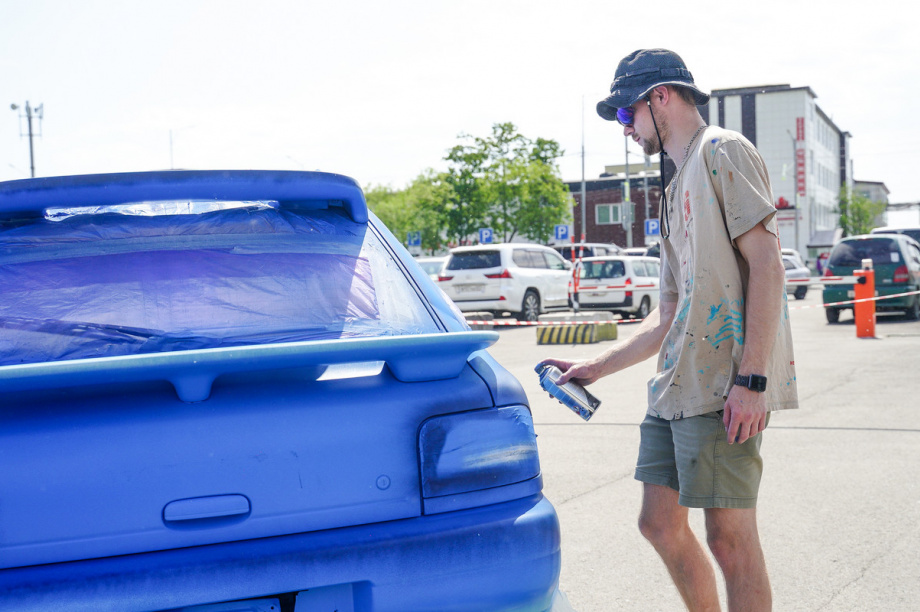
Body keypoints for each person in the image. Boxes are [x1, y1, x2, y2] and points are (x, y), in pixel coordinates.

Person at [539, 49, 798, 612]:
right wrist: (596, 366)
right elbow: (670, 315)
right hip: (676, 384)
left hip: (725, 384)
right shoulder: (674, 187)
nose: (625, 127)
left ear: (660, 96)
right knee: (658, 523)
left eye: (626, 113)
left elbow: (767, 265)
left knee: (730, 541)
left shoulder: (722, 151)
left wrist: (752, 380)